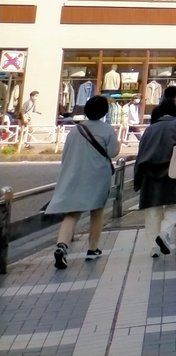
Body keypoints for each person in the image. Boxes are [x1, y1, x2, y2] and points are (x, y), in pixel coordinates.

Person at [46, 95, 118, 269]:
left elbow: (66, 155)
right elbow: (113, 152)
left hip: (74, 176)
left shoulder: (74, 130)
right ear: (104, 112)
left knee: (71, 214)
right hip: (97, 176)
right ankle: (92, 249)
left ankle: (62, 246)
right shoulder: (107, 129)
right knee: (97, 212)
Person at [133, 102, 176, 259]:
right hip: (174, 174)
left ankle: (153, 248)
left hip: (150, 175)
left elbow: (140, 155)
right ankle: (164, 233)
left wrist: (137, 179)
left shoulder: (150, 129)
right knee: (175, 206)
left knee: (153, 211)